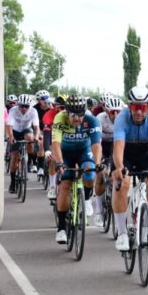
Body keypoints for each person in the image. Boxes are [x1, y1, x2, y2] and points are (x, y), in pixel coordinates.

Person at [111, 86, 148, 252]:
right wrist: (120, 167)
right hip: (126, 154)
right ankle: (121, 232)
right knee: (122, 183)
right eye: (135, 107)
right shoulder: (121, 118)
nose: (139, 111)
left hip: (146, 154)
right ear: (129, 106)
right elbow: (119, 147)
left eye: (143, 107)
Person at [51, 95, 102, 243]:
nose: (77, 119)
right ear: (67, 112)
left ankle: (86, 199)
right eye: (73, 115)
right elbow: (55, 143)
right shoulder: (59, 118)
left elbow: (96, 144)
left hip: (83, 151)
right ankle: (61, 228)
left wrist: (97, 164)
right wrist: (59, 163)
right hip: (65, 153)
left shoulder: (91, 120)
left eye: (80, 115)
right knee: (65, 186)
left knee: (90, 172)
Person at [92, 95, 123, 225]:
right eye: (112, 112)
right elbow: (97, 142)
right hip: (102, 144)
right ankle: (99, 211)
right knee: (100, 174)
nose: (115, 114)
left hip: (116, 144)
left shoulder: (124, 119)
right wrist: (99, 161)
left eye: (118, 111)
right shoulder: (99, 118)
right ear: (106, 111)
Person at [5, 94, 39, 194]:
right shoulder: (13, 110)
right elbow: (9, 125)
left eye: (26, 106)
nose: (24, 108)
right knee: (14, 157)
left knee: (30, 138)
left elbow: (36, 127)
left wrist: (36, 137)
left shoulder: (33, 111)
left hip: (26, 130)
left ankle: (28, 161)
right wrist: (11, 137)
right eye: (21, 106)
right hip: (15, 131)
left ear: (30, 106)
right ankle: (13, 182)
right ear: (18, 105)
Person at [42, 95, 67, 199]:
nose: (63, 110)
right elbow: (47, 134)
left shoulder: (70, 114)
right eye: (60, 107)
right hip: (54, 138)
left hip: (67, 137)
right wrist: (47, 150)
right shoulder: (49, 115)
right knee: (53, 158)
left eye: (64, 107)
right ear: (55, 106)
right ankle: (52, 187)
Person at [33, 90, 52, 175]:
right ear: (39, 100)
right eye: (43, 99)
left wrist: (52, 108)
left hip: (50, 129)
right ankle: (40, 167)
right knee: (41, 144)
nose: (45, 100)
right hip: (39, 128)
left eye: (47, 98)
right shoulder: (35, 109)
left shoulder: (51, 107)